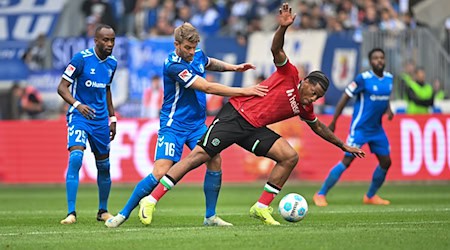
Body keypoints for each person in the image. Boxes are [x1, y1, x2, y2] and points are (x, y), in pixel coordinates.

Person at [134, 3, 365, 226]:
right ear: (305, 83)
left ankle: (262, 206)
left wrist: (343, 146)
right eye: (313, 92)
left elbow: (318, 127)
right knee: (198, 157)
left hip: (253, 128)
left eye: (317, 97)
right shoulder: (290, 73)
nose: (313, 99)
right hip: (235, 115)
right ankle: (151, 199)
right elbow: (276, 49)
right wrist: (283, 27)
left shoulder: (305, 107)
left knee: (289, 157)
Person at [105, 22, 267, 228]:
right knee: (160, 171)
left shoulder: (196, 54)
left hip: (196, 125)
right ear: (177, 45)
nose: (191, 52)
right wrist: (245, 91)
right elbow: (207, 87)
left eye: (194, 47)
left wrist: (233, 68)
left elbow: (209, 62)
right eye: (187, 48)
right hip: (173, 125)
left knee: (214, 159)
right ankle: (123, 214)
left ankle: (210, 217)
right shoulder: (173, 66)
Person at [313, 48, 394, 207]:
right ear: (370, 62)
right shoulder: (363, 78)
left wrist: (389, 109)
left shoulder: (389, 78)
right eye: (375, 58)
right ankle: (320, 193)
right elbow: (345, 97)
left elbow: (385, 97)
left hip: (377, 129)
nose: (379, 60)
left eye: (381, 58)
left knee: (386, 162)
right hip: (360, 129)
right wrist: (334, 121)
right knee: (347, 160)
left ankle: (370, 196)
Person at [57, 24, 118, 224]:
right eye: (106, 40)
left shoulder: (112, 63)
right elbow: (62, 87)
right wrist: (78, 104)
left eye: (112, 40)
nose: (109, 44)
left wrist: (113, 118)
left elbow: (106, 91)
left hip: (100, 121)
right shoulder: (81, 59)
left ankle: (103, 211)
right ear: (96, 40)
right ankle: (71, 213)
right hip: (80, 117)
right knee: (76, 158)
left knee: (104, 166)